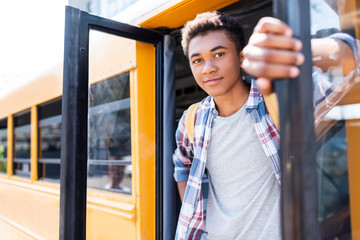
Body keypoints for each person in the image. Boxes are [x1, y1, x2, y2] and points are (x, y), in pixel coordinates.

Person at [173, 11, 359, 240]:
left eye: (219, 54)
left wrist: (300, 50)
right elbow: (182, 164)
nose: (207, 68)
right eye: (197, 60)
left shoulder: (279, 102)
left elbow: (350, 68)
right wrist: (193, 217)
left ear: (242, 58)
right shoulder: (192, 119)